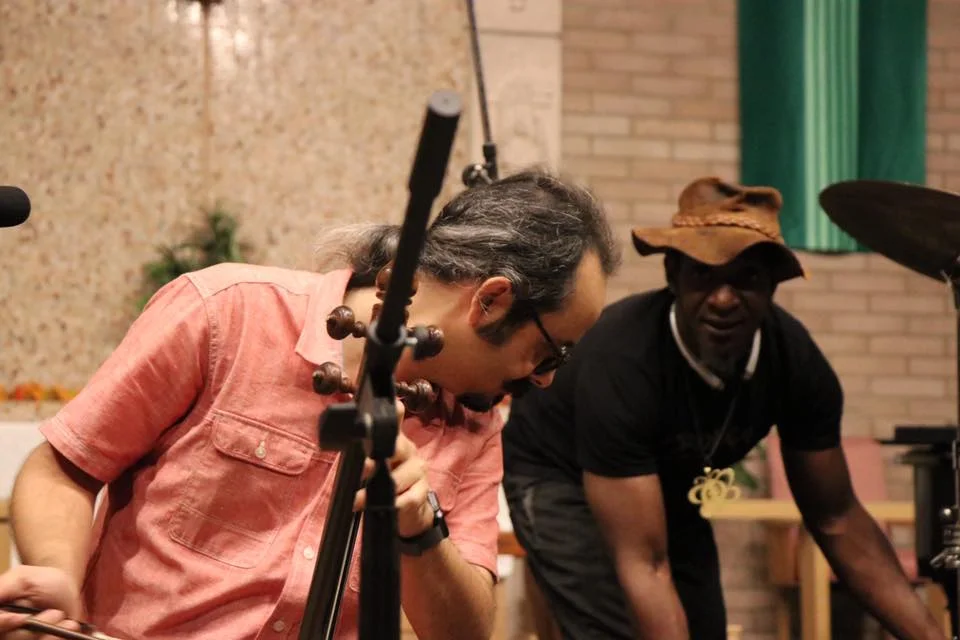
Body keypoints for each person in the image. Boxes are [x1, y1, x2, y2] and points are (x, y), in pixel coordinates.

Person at [0, 169, 621, 640]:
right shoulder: (226, 312)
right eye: (550, 353)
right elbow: (65, 468)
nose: (545, 381)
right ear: (491, 301)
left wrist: (419, 525)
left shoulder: (475, 424)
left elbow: (463, 632)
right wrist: (56, 572)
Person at [501, 177, 947, 640]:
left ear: (772, 285)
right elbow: (645, 564)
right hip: (558, 472)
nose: (723, 299)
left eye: (746, 278)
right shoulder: (625, 361)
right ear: (673, 275)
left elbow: (837, 519)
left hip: (663, 483)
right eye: (703, 275)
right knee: (613, 629)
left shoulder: (794, 362)